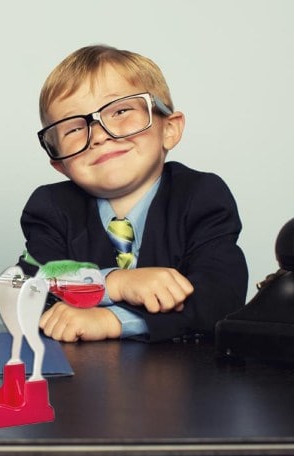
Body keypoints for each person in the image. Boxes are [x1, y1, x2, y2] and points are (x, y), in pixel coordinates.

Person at [17, 45, 248, 343]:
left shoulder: (201, 196)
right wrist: (112, 283)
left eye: (121, 111)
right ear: (60, 164)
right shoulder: (51, 208)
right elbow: (29, 286)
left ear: (169, 129)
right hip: (82, 382)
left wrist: (114, 319)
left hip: (185, 379)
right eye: (74, 129)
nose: (99, 136)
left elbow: (220, 297)